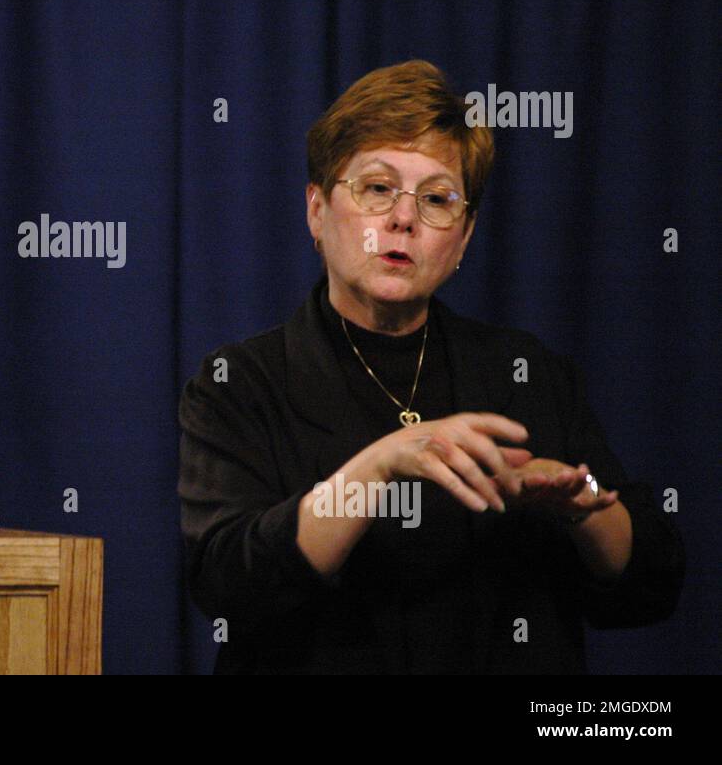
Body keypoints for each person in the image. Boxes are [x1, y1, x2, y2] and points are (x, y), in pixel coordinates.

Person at [178, 60, 684, 674]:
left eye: (437, 198)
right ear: (317, 211)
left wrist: (583, 504)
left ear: (464, 236)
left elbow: (649, 587)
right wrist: (384, 461)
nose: (403, 218)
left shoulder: (527, 374)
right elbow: (229, 587)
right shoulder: (242, 382)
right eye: (377, 188)